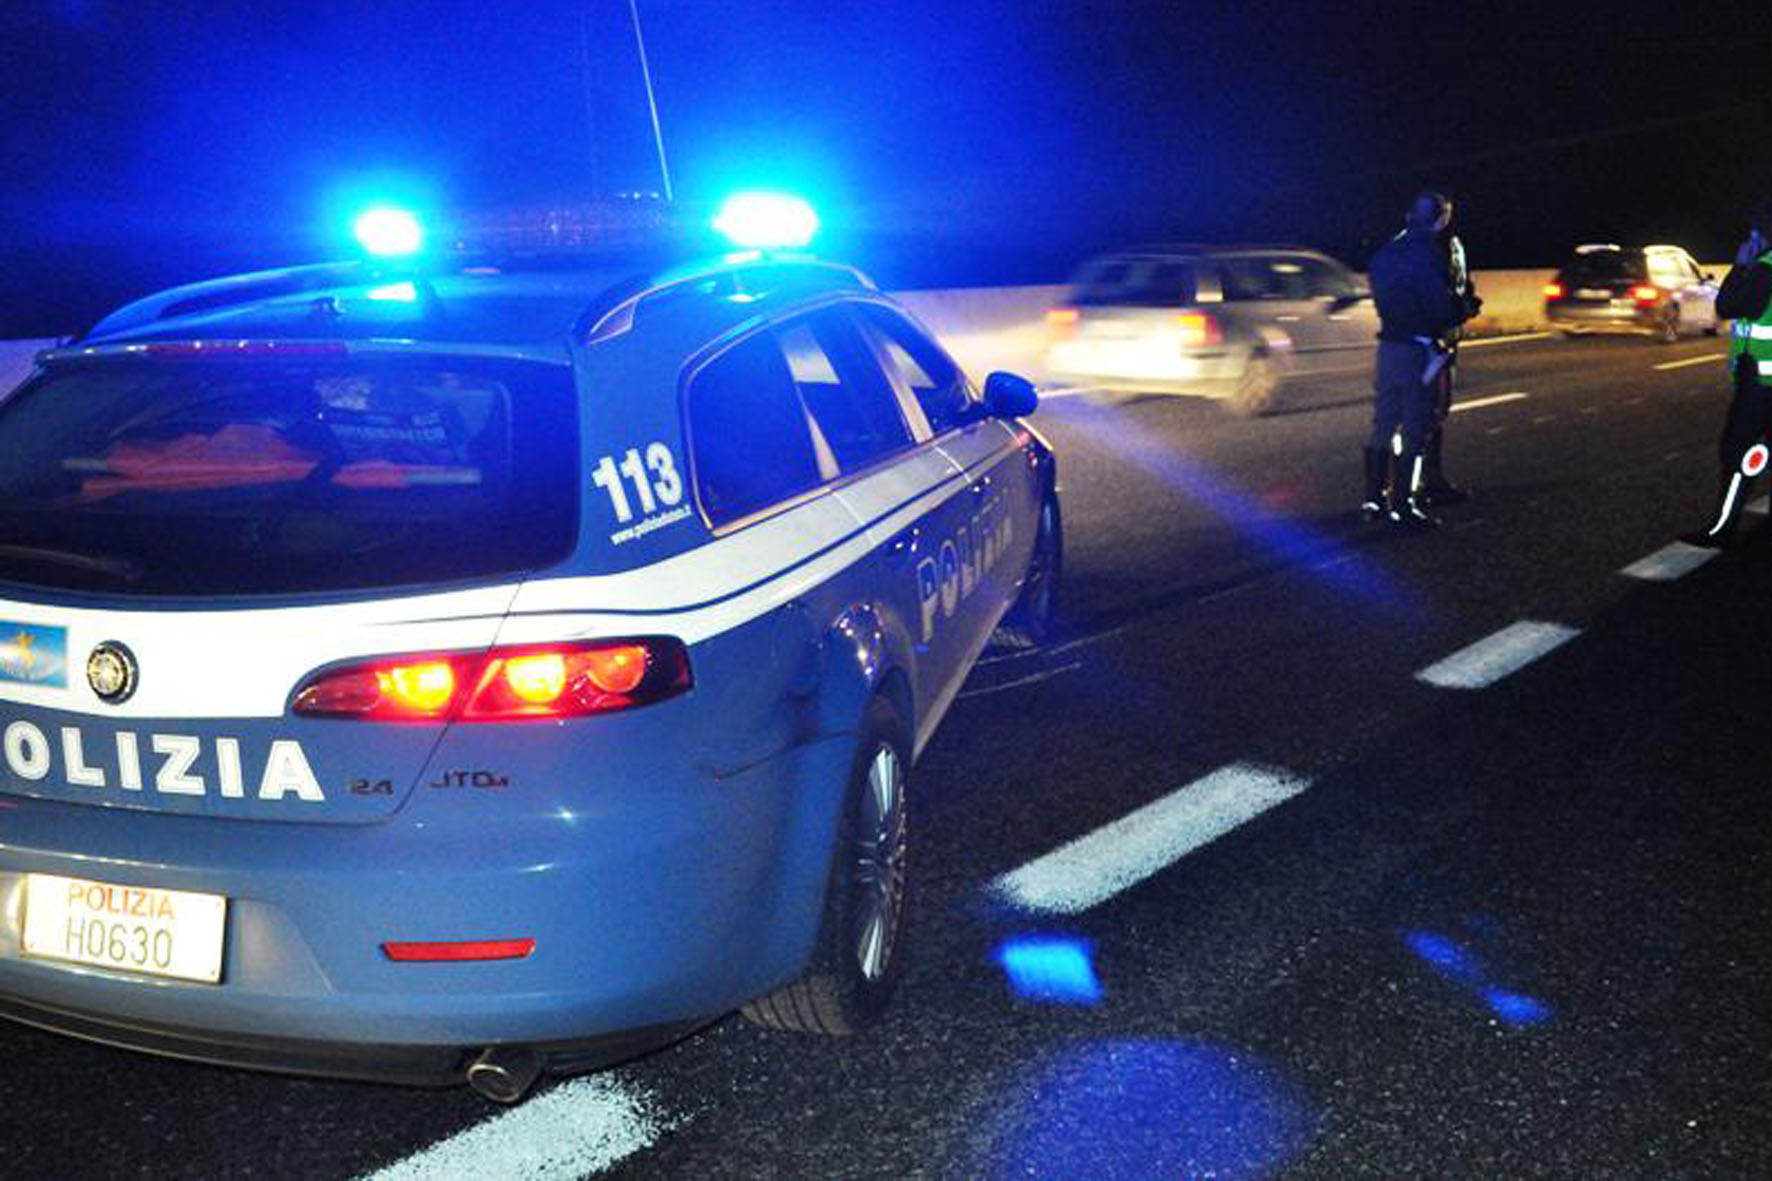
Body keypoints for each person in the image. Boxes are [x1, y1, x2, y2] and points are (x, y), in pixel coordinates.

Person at [1362, 191, 1477, 527]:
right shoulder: (1429, 255)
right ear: (1440, 217)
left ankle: (1373, 499)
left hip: (1389, 345)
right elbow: (1441, 308)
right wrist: (1464, 308)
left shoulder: (1385, 254)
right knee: (1417, 426)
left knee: (1383, 423)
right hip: (1421, 348)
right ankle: (1404, 503)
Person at [1684, 201, 1772, 548]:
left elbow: (1727, 307)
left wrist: (1739, 266)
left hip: (1762, 380)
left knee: (1737, 450)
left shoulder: (1765, 269)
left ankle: (1722, 529)